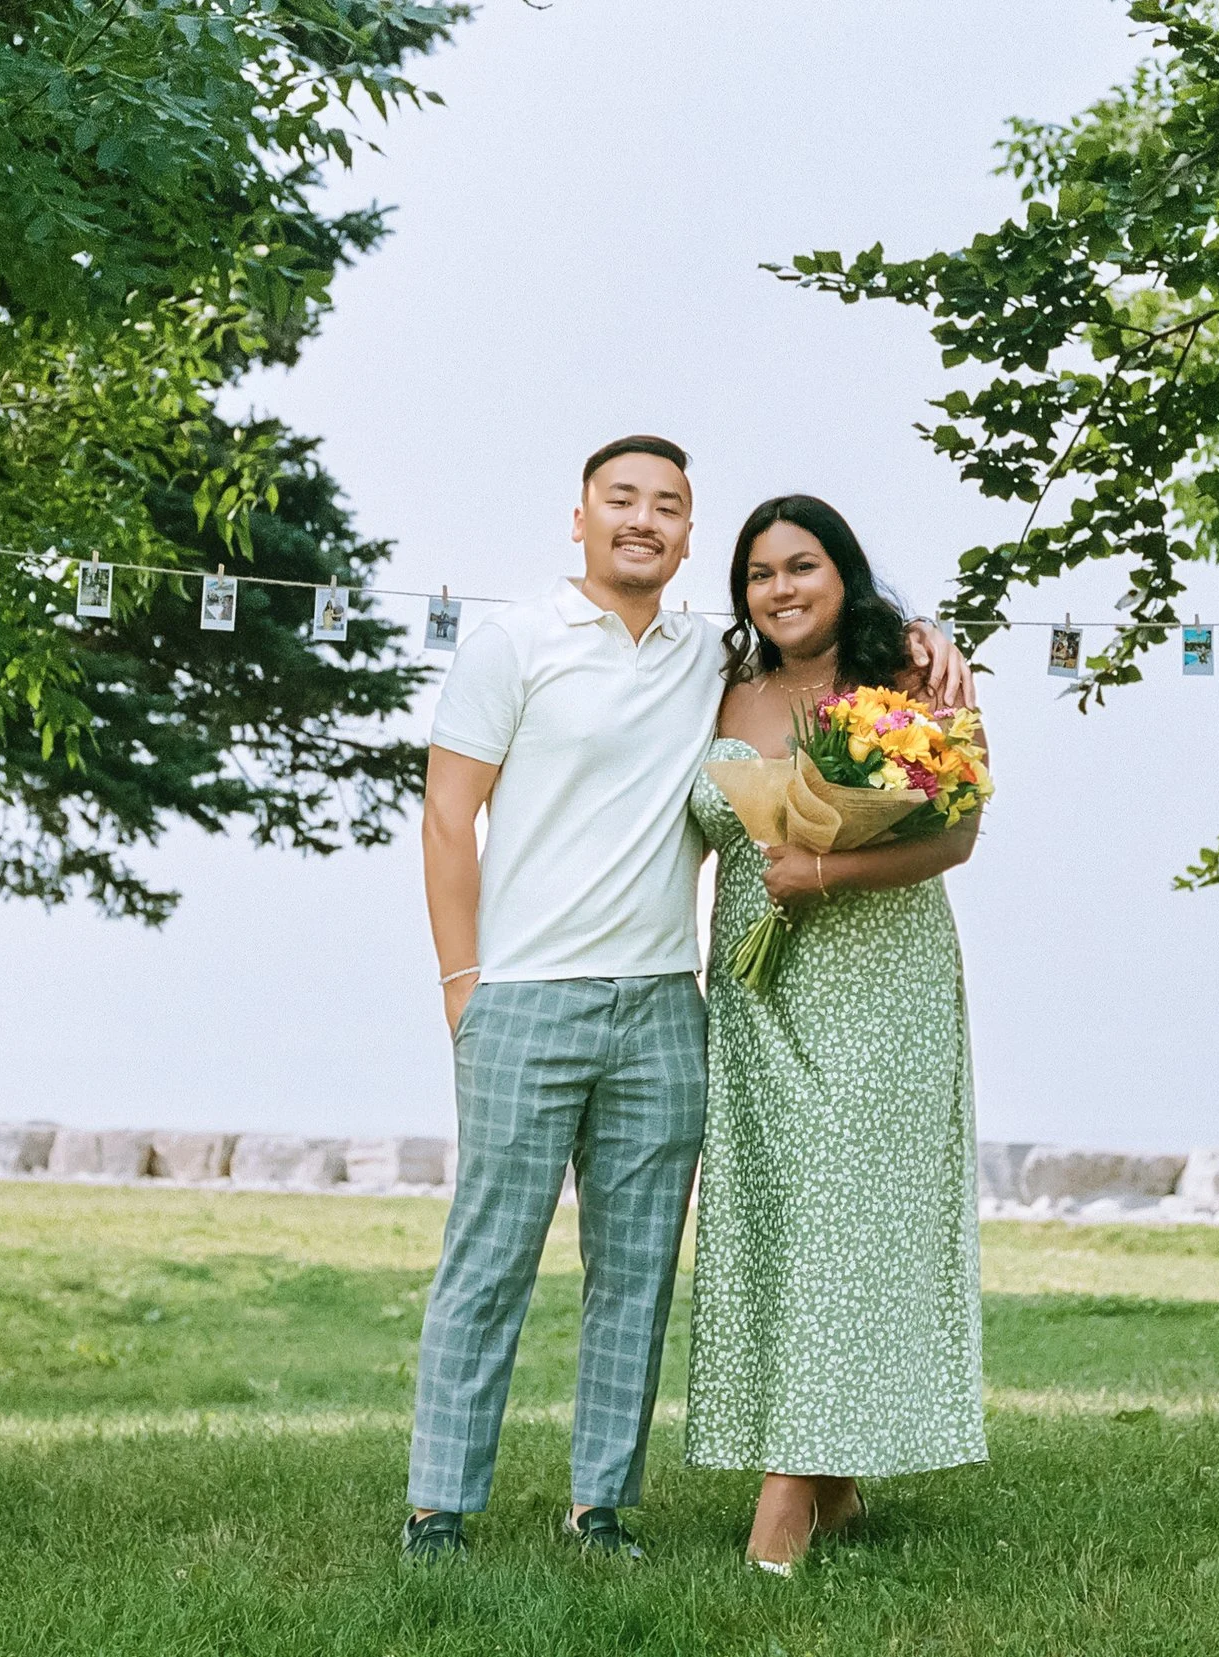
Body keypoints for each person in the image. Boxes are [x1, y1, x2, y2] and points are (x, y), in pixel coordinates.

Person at [405, 439, 972, 1564]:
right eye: (623, 500)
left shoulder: (706, 655)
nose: (644, 520)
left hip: (671, 1002)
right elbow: (445, 816)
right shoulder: (516, 639)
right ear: (579, 517)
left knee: (636, 1273)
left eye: (668, 506)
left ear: (686, 533)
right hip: (524, 995)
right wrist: (462, 984)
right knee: (489, 1259)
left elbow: (872, 700)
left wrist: (921, 637)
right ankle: (438, 1509)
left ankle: (601, 1505)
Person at [684, 493, 987, 1576]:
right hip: (758, 986)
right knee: (783, 1220)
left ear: (843, 573)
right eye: (759, 574)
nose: (780, 589)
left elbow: (957, 835)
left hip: (878, 981)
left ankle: (783, 1504)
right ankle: (838, 1487)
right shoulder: (719, 687)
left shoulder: (913, 678)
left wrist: (828, 867)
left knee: (849, 1220)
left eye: (801, 566)